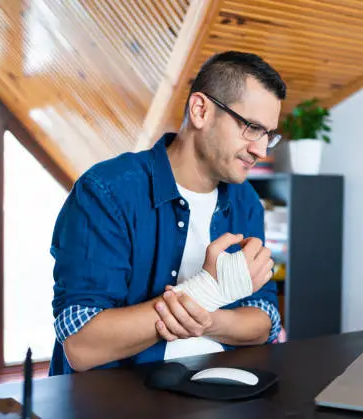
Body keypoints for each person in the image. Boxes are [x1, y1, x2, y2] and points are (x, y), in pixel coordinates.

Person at [48, 51, 287, 375]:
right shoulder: (106, 191)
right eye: (251, 128)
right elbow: (82, 345)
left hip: (222, 392)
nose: (260, 150)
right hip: (125, 399)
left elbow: (265, 319)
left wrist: (206, 317)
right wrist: (208, 290)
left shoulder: (244, 199)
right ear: (201, 110)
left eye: (268, 135)